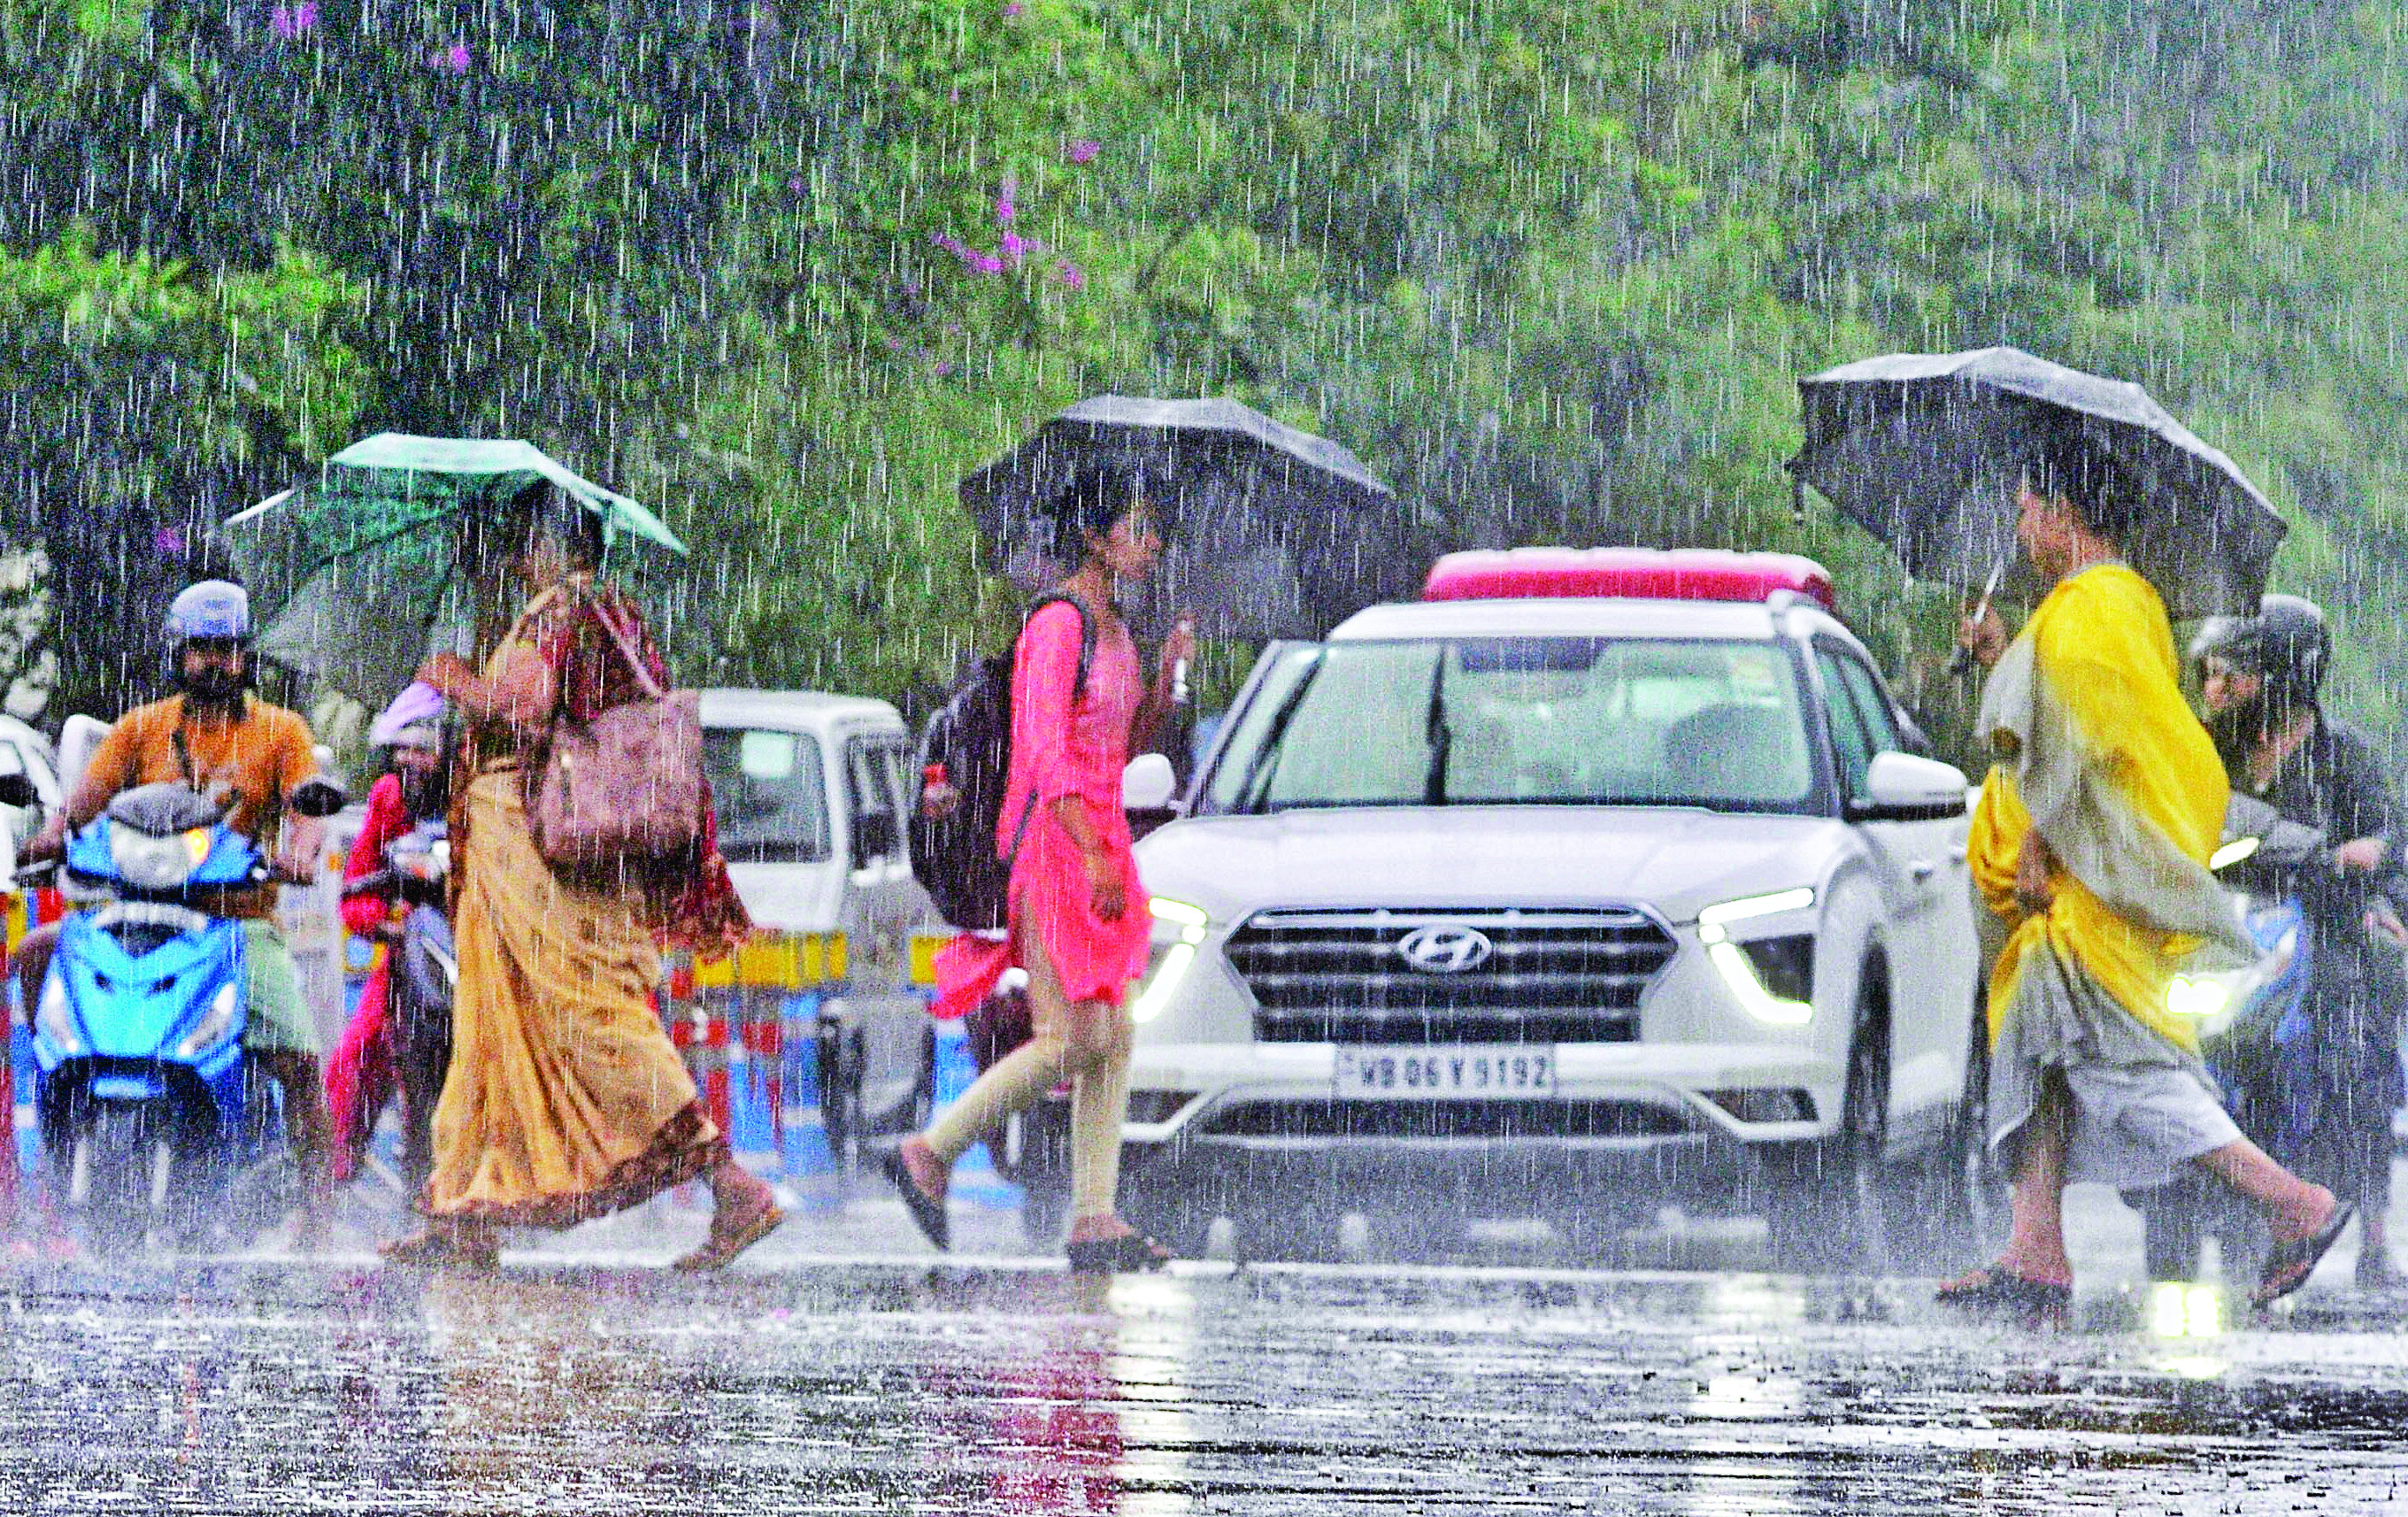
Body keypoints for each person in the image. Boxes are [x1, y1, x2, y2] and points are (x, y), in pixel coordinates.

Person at [1943, 435, 2348, 1317]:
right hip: (2065, 899)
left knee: (2129, 1069)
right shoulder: (2099, 605)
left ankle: (2296, 1205)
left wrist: (2047, 842)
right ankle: (2035, 1250)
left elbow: (2090, 741)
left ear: (2063, 512)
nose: (2018, 525)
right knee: (2040, 1055)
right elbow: (2063, 712)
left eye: (2023, 508)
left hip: (2077, 893)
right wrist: (2004, 651)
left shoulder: (2096, 605)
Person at [381, 489, 776, 1270]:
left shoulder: (567, 608)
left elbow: (526, 714)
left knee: (586, 1013)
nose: (504, 562)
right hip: (505, 850)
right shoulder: (562, 614)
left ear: (551, 545)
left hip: (534, 851)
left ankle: (733, 1184)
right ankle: (464, 1209)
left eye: (515, 544)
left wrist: (455, 680)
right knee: (492, 1030)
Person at [884, 460, 1196, 1272]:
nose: (1152, 545)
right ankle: (929, 1152)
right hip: (1058, 850)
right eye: (1138, 529)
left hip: (1102, 845)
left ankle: (1095, 1216)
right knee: (1065, 1039)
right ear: (1094, 538)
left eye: (1154, 530)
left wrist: (1165, 679)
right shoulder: (1056, 624)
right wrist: (1088, 850)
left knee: (1114, 1034)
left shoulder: (1120, 632)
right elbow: (1044, 751)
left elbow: (1121, 748)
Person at [19, 580, 338, 1244]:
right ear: (178, 653)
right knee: (38, 954)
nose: (215, 662)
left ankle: (318, 1212)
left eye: (227, 650)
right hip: (130, 911)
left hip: (237, 920)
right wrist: (51, 836)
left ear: (245, 656)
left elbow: (307, 811)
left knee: (301, 1060)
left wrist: (301, 854)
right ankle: (63, 1084)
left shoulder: (282, 732)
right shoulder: (142, 728)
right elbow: (83, 802)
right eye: (201, 649)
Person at [2189, 598, 2404, 1288]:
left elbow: (2387, 852)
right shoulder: (2207, 753)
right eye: (2212, 676)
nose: (2216, 691)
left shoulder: (2346, 759)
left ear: (2282, 676)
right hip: (2223, 929)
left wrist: (2376, 898)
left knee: (2353, 1032)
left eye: (2234, 676)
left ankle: (2371, 1229)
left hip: (2325, 930)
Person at [324, 717, 450, 1190]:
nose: (411, 761)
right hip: (411, 958)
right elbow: (356, 888)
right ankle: (332, 1177)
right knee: (358, 1052)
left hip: (482, 954)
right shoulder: (388, 798)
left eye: (423, 749)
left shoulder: (480, 793)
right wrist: (385, 923)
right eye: (402, 749)